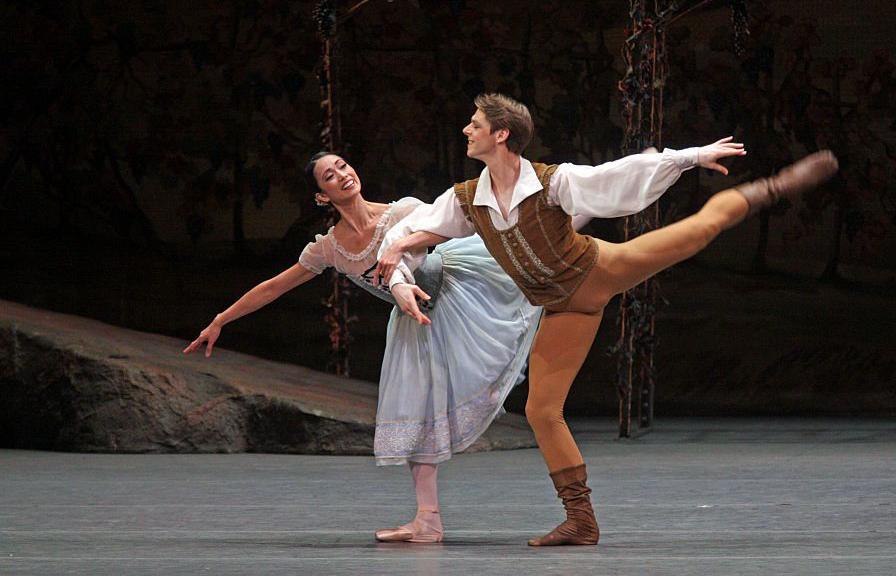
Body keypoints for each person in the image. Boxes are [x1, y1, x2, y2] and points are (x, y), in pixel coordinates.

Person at [375, 93, 838, 546]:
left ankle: (771, 188)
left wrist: (692, 156)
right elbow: (422, 228)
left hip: (597, 272)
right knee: (541, 410)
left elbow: (616, 177)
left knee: (696, 233)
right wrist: (397, 248)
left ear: (501, 134)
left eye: (475, 124)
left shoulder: (552, 182)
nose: (466, 130)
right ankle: (581, 520)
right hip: (560, 307)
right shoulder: (468, 198)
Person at [184, 152, 547, 543]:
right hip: (416, 321)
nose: (342, 174)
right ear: (322, 196)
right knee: (416, 414)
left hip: (461, 289)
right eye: (329, 175)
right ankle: (428, 520)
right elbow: (274, 286)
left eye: (342, 166)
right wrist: (221, 319)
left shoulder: (404, 210)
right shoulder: (331, 248)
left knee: (521, 282)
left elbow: (453, 223)